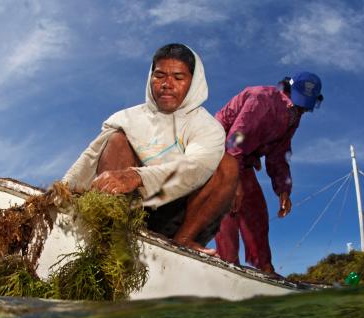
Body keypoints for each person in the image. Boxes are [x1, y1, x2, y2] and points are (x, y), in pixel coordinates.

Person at [62, 43, 237, 252]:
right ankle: (111, 231)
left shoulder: (208, 127)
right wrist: (59, 196)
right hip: (134, 208)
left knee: (227, 165)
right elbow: (88, 159)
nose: (167, 84)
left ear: (193, 83)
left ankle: (182, 244)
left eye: (178, 78)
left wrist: (138, 176)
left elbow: (196, 167)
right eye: (160, 75)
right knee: (117, 140)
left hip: (178, 217)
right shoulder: (126, 118)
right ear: (150, 77)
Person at [214, 72, 323, 274]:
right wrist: (233, 181)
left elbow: (279, 154)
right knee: (228, 205)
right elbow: (234, 140)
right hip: (219, 151)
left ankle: (264, 267)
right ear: (289, 89)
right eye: (298, 104)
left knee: (257, 211)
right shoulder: (262, 99)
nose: (300, 111)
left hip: (242, 161)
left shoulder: (293, 116)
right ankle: (227, 264)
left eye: (304, 108)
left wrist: (283, 190)